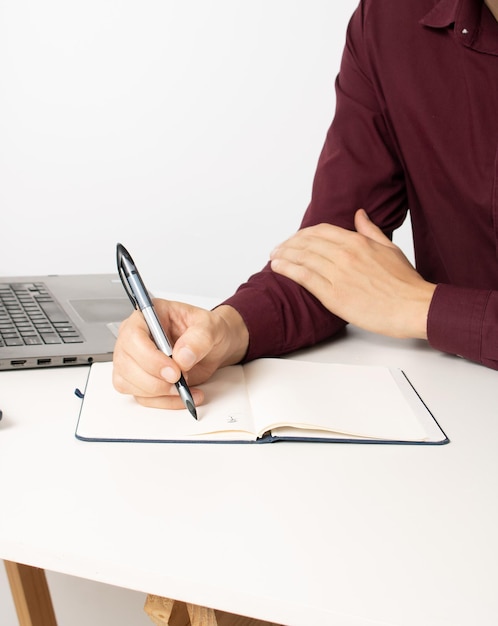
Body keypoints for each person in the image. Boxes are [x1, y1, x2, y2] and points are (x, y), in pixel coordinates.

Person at [113, 0, 498, 410]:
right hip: (453, 415)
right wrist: (223, 331)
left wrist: (421, 307)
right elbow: (332, 259)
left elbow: (392, 298)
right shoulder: (390, 18)